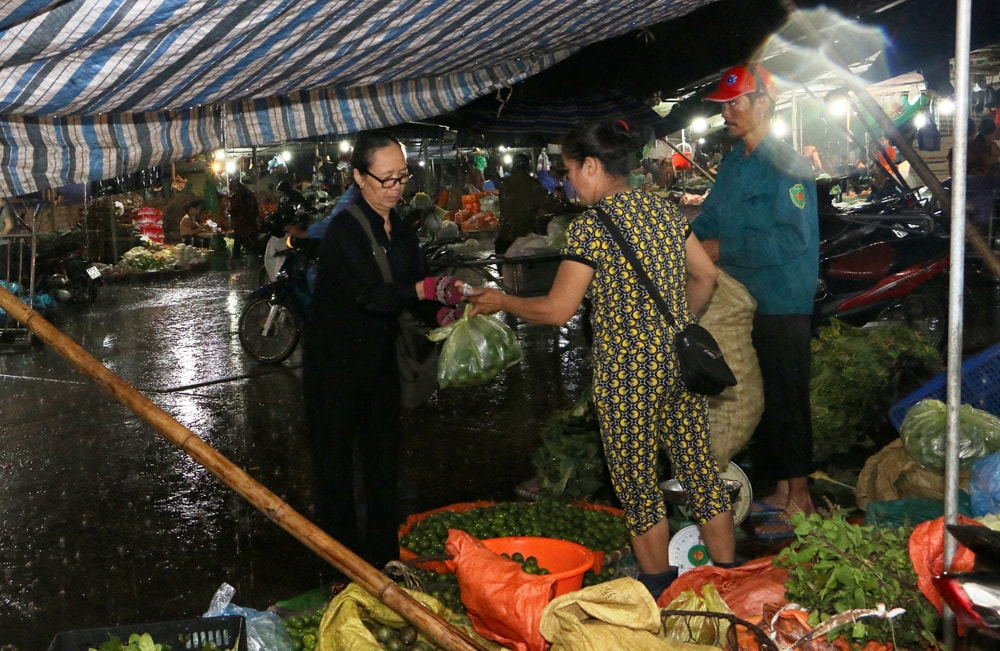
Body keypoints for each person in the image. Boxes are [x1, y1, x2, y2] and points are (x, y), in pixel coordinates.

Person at [468, 120, 736, 600]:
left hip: (626, 375)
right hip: (678, 364)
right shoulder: (662, 209)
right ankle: (730, 582)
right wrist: (676, 324)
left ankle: (659, 595)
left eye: (571, 171)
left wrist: (503, 301)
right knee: (699, 472)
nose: (570, 182)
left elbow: (557, 309)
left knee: (638, 487)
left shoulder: (590, 228)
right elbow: (706, 275)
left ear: (592, 166)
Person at [302, 132, 466, 569]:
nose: (396, 188)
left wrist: (447, 313)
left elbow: (414, 295)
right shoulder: (345, 230)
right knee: (335, 475)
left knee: (383, 468)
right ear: (359, 176)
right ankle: (339, 570)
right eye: (386, 179)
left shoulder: (404, 230)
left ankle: (384, 564)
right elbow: (374, 296)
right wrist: (421, 287)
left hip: (379, 365)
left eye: (402, 177)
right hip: (334, 368)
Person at [690, 63, 819, 539]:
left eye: (735, 104)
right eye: (723, 107)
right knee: (759, 396)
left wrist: (726, 250)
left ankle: (800, 497)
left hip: (783, 297)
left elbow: (793, 239)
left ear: (763, 104)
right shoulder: (733, 164)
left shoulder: (787, 165)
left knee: (788, 394)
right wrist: (677, 238)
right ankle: (782, 491)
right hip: (743, 300)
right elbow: (711, 220)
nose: (727, 114)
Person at [495, 153, 548, 255]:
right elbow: (543, 208)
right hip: (527, 236)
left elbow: (503, 207)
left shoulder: (505, 183)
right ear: (528, 167)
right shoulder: (534, 184)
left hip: (504, 235)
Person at [227, 177, 260, 259]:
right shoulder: (247, 194)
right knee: (242, 238)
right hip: (247, 221)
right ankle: (249, 254)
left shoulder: (239, 196)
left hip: (243, 222)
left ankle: (249, 254)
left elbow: (235, 209)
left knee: (242, 238)